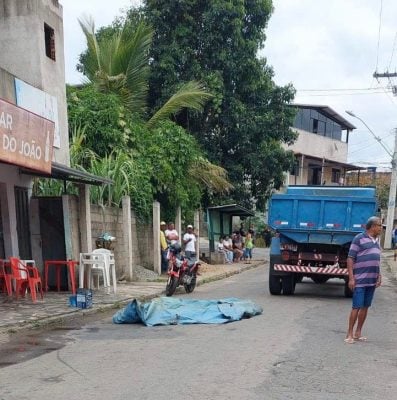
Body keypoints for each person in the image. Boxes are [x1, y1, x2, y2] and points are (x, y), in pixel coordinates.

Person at [344, 216, 382, 344]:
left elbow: (377, 259)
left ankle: (358, 333)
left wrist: (379, 275)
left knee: (365, 306)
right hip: (360, 279)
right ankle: (349, 333)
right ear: (372, 226)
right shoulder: (359, 238)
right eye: (379, 225)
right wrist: (351, 278)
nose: (381, 228)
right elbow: (350, 258)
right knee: (356, 306)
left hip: (372, 280)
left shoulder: (377, 240)